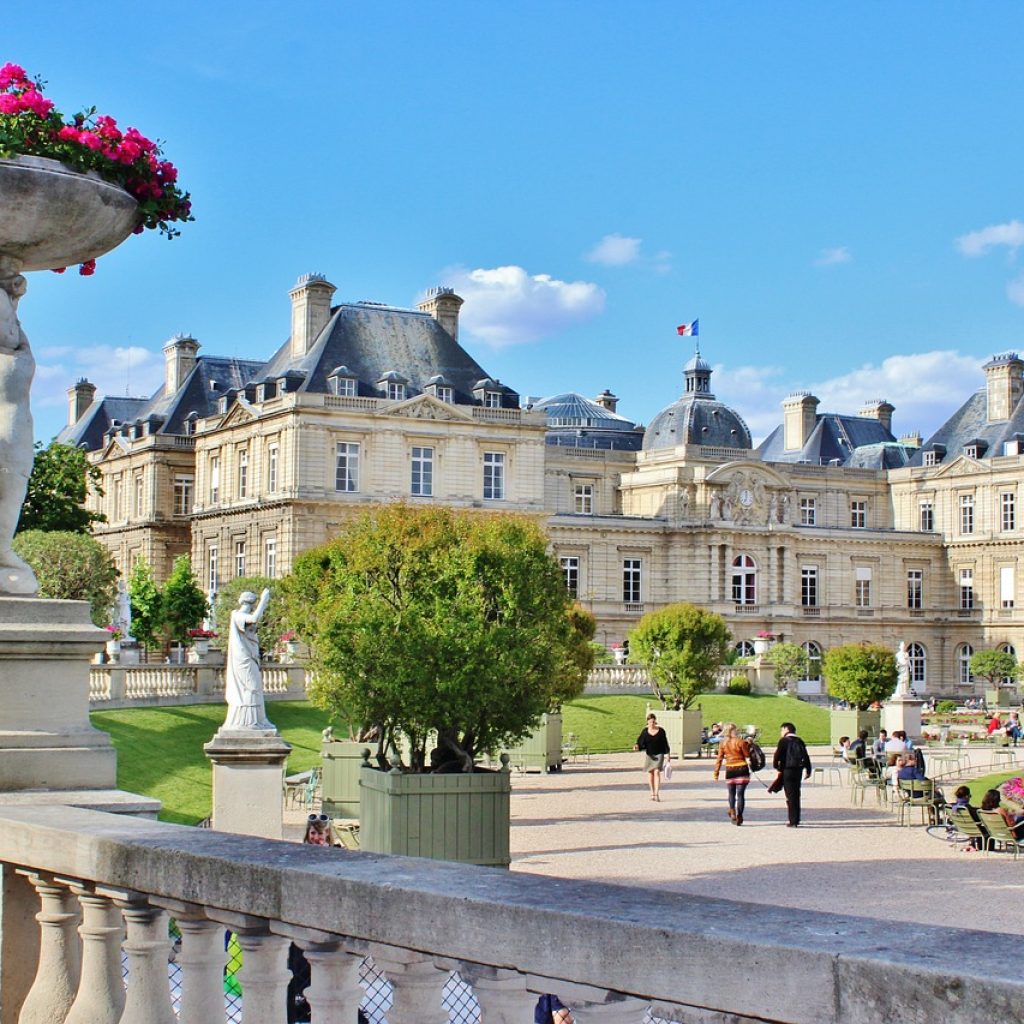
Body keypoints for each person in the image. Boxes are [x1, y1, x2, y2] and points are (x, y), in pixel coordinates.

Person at [223, 588, 273, 729]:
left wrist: (263, 604)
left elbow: (256, 618)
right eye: (253, 604)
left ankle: (260, 719)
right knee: (251, 687)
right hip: (243, 660)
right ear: (250, 603)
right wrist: (264, 600)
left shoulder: (243, 617)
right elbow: (254, 618)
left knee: (255, 687)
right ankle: (249, 722)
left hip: (250, 657)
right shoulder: (238, 615)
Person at [773, 722, 811, 827]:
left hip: (787, 770)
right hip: (798, 770)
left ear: (786, 729)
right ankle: (796, 818)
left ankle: (793, 820)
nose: (781, 732)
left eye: (782, 730)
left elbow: (777, 755)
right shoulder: (799, 741)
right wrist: (808, 769)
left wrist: (777, 766)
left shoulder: (783, 741)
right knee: (796, 793)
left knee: (790, 795)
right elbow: (806, 755)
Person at [713, 722, 752, 825]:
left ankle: (732, 811)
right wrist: (748, 744)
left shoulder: (723, 743)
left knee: (731, 793)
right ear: (733, 730)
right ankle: (740, 815)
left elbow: (719, 758)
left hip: (730, 769)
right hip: (742, 768)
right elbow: (747, 754)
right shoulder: (740, 742)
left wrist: (716, 773)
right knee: (741, 795)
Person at [633, 712, 669, 801]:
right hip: (650, 754)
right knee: (650, 772)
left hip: (659, 754)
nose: (651, 724)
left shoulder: (661, 731)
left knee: (656, 771)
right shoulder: (645, 732)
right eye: (650, 722)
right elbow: (640, 742)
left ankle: (657, 793)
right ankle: (652, 793)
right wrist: (637, 746)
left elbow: (665, 743)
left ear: (655, 721)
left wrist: (668, 755)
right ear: (647, 722)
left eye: (653, 722)